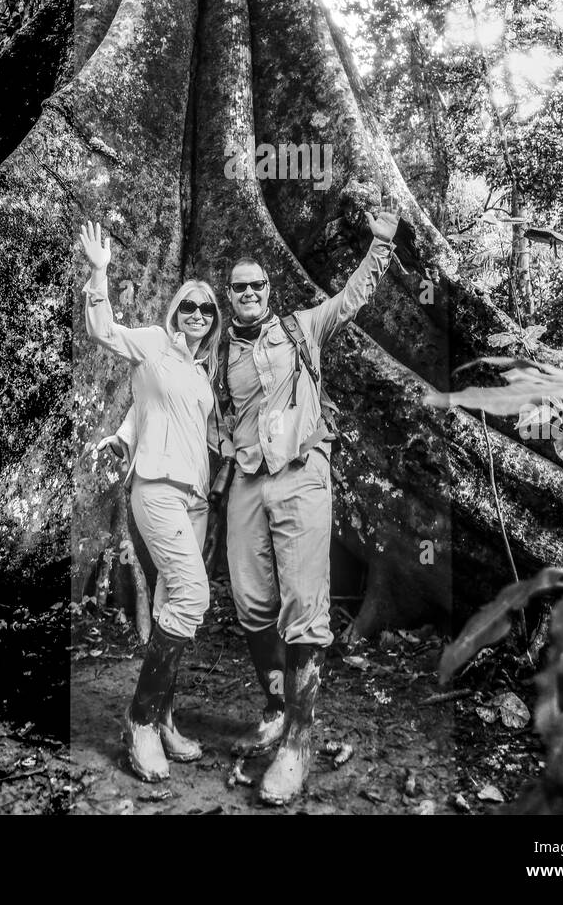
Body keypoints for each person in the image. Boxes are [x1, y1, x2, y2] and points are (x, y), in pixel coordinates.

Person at [217, 203, 400, 805]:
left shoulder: (301, 327)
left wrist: (382, 244)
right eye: (239, 286)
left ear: (269, 290)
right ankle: (275, 705)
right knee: (249, 603)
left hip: (301, 477)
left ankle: (297, 739)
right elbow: (209, 414)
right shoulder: (221, 352)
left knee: (304, 608)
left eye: (257, 284)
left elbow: (351, 298)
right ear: (229, 295)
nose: (249, 292)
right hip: (246, 483)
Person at [79, 220, 222, 783]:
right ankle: (140, 720)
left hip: (195, 498)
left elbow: (151, 414)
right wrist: (99, 270)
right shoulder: (155, 344)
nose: (197, 316)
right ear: (175, 309)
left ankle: (163, 718)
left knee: (172, 608)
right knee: (192, 595)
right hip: (157, 490)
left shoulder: (200, 371)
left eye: (206, 311)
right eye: (189, 306)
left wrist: (124, 433)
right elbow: (102, 330)